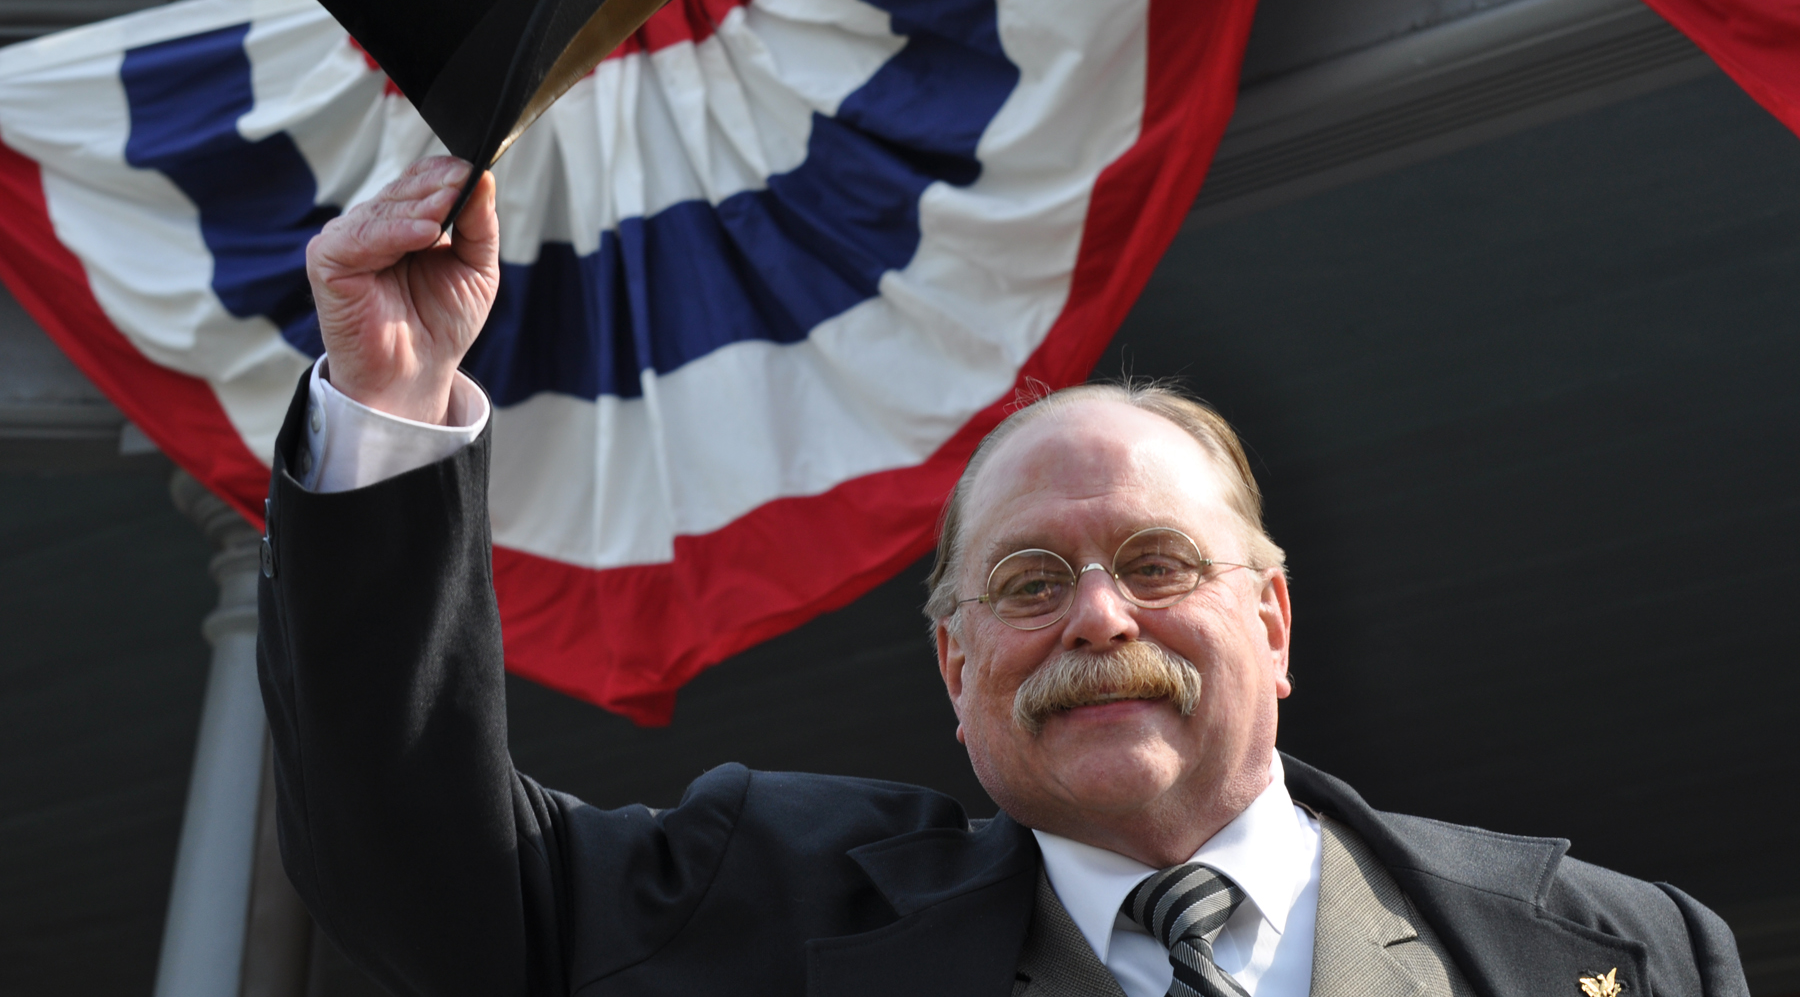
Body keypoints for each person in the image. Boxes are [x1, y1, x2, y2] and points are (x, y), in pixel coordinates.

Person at [259, 158, 1747, 997]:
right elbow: (414, 860)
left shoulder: (1632, 951)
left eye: (1158, 565)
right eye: (1028, 585)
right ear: (957, 670)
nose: (1100, 618)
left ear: (1274, 621)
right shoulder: (763, 914)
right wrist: (389, 400)